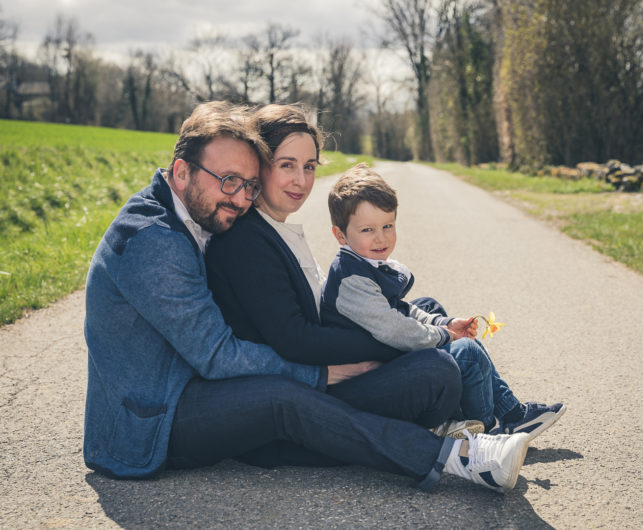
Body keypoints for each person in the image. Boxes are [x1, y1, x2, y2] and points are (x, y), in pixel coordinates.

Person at [84, 100, 530, 494]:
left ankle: (475, 412)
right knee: (283, 396)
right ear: (181, 172)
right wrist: (323, 374)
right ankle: (457, 457)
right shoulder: (152, 240)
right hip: (153, 420)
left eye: (247, 184)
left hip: (193, 388)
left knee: (418, 318)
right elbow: (218, 355)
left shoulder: (192, 214)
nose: (239, 199)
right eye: (227, 181)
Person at [320, 163, 566, 439]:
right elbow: (395, 328)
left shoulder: (366, 261)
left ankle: (511, 413)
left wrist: (443, 323)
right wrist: (442, 335)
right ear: (340, 235)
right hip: (365, 379)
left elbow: (402, 309)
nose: (381, 238)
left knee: (443, 319)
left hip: (380, 354)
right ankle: (485, 431)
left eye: (388, 226)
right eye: (367, 230)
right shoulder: (351, 279)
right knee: (467, 353)